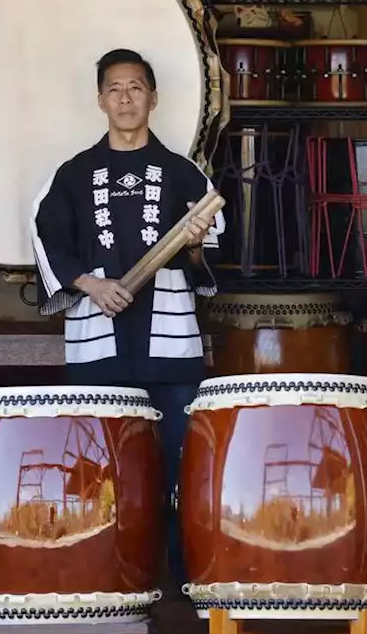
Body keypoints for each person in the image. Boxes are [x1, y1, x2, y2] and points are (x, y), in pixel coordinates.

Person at [30, 47, 224, 584]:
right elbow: (47, 242)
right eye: (114, 88)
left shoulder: (183, 175)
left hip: (169, 345)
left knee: (179, 466)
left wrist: (194, 243)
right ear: (100, 100)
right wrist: (91, 283)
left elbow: (209, 250)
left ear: (153, 97)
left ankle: (184, 578)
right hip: (98, 343)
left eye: (135, 87)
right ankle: (105, 575)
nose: (125, 97)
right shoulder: (72, 175)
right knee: (100, 469)